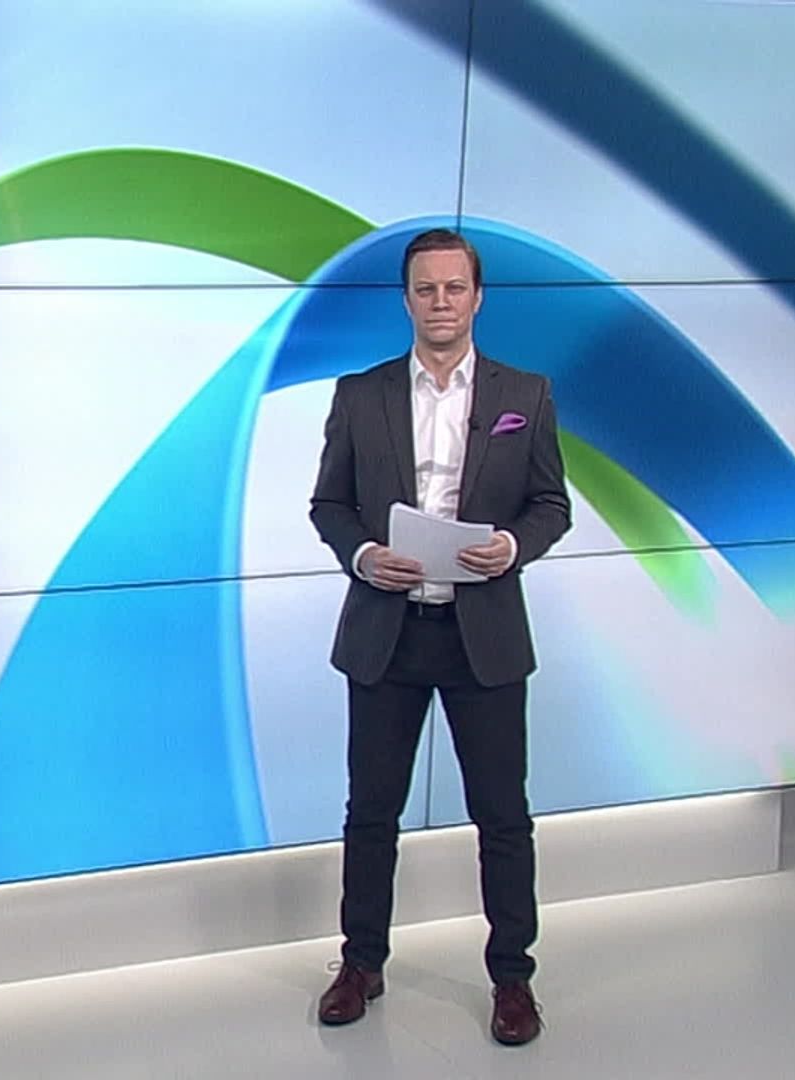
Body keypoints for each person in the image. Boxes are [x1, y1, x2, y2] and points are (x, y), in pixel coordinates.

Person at [308, 227, 571, 1045]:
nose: (441, 302)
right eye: (426, 289)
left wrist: (514, 546)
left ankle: (514, 980)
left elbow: (551, 505)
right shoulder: (362, 395)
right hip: (388, 633)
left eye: (455, 288)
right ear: (407, 299)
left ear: (477, 297)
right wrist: (362, 555)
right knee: (371, 812)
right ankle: (361, 963)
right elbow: (329, 504)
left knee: (503, 816)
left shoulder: (526, 394)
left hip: (481, 636)